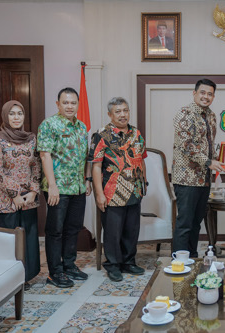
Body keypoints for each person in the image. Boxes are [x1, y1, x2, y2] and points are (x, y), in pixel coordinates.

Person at [37, 87, 92, 288]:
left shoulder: (81, 127)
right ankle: (55, 272)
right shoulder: (49, 125)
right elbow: (45, 155)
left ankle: (69, 265)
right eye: (65, 102)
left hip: (77, 187)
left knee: (73, 229)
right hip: (57, 187)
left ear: (78, 105)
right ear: (58, 104)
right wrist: (52, 186)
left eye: (73, 102)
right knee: (55, 231)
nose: (69, 106)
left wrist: (86, 180)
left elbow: (85, 156)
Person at [0, 100, 41, 290]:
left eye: (20, 113)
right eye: (12, 114)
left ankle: (24, 278)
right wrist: (15, 194)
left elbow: (36, 166)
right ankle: (6, 281)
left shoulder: (31, 138)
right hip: (4, 200)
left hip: (28, 200)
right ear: (5, 116)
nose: (16, 117)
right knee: (8, 241)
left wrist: (33, 191)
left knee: (27, 240)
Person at [89, 97, 147, 281]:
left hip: (135, 190)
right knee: (113, 231)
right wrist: (99, 194)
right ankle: (113, 265)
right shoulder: (101, 135)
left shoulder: (136, 133)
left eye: (125, 111)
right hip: (112, 191)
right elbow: (96, 166)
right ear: (110, 114)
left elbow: (141, 159)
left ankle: (129, 262)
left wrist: (144, 183)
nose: (123, 115)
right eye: (118, 111)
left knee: (131, 229)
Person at [172, 78, 225, 257]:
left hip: (204, 179)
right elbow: (186, 146)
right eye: (202, 93)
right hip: (186, 179)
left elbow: (209, 146)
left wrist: (224, 157)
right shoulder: (185, 114)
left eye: (210, 94)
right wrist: (209, 162)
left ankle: (192, 257)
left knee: (196, 223)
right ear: (194, 93)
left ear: (213, 97)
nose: (206, 97)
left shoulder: (211, 115)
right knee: (185, 223)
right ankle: (179, 262)